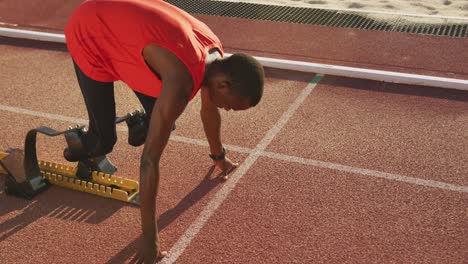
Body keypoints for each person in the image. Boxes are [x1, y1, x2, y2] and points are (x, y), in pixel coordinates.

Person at [64, 0, 264, 263]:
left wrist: (219, 155)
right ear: (224, 84)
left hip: (122, 29)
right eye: (232, 106)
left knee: (163, 121)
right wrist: (150, 237)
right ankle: (80, 143)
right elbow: (149, 160)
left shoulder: (213, 55)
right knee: (105, 140)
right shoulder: (181, 82)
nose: (227, 110)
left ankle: (142, 122)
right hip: (90, 30)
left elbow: (209, 110)